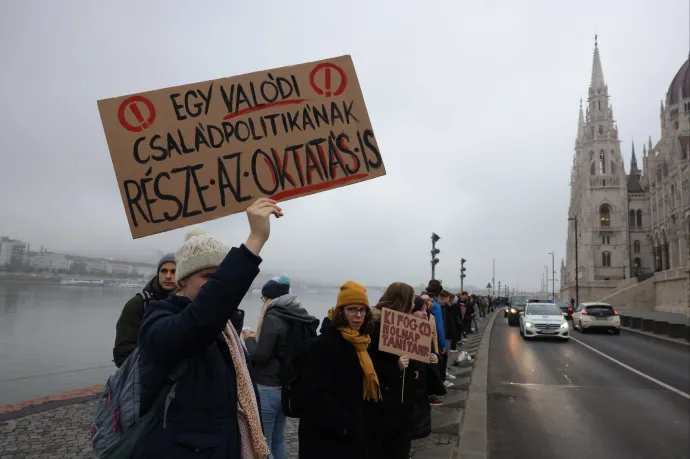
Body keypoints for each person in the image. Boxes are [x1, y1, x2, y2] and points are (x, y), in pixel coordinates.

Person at [133, 198, 283, 459]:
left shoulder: (225, 329)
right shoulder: (160, 319)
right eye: (207, 277)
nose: (215, 284)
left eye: (219, 276)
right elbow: (201, 318)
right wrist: (255, 239)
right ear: (182, 281)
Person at [298, 281, 380, 459]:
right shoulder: (325, 344)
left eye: (362, 310)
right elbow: (313, 392)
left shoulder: (362, 342)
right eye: (352, 310)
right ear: (341, 312)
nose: (358, 316)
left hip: (354, 433)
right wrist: (344, 425)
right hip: (329, 438)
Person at [244, 274, 319, 459]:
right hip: (285, 387)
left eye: (264, 297)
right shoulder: (297, 314)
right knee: (278, 439)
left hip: (267, 386)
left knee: (264, 440)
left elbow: (261, 355)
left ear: (270, 298)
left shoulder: (273, 317)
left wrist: (249, 340)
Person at [367, 282, 416, 459]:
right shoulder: (374, 326)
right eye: (411, 300)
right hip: (385, 408)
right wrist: (396, 367)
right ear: (402, 302)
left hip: (398, 407)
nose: (413, 305)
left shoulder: (404, 326)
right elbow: (369, 366)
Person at [113, 253, 176, 367]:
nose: (168, 276)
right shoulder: (138, 304)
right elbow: (123, 353)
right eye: (163, 271)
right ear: (158, 273)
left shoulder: (188, 303)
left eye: (173, 272)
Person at [409, 297, 446, 446]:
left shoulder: (424, 328)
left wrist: (436, 357)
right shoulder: (406, 333)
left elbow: (430, 355)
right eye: (421, 309)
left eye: (426, 309)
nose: (425, 313)